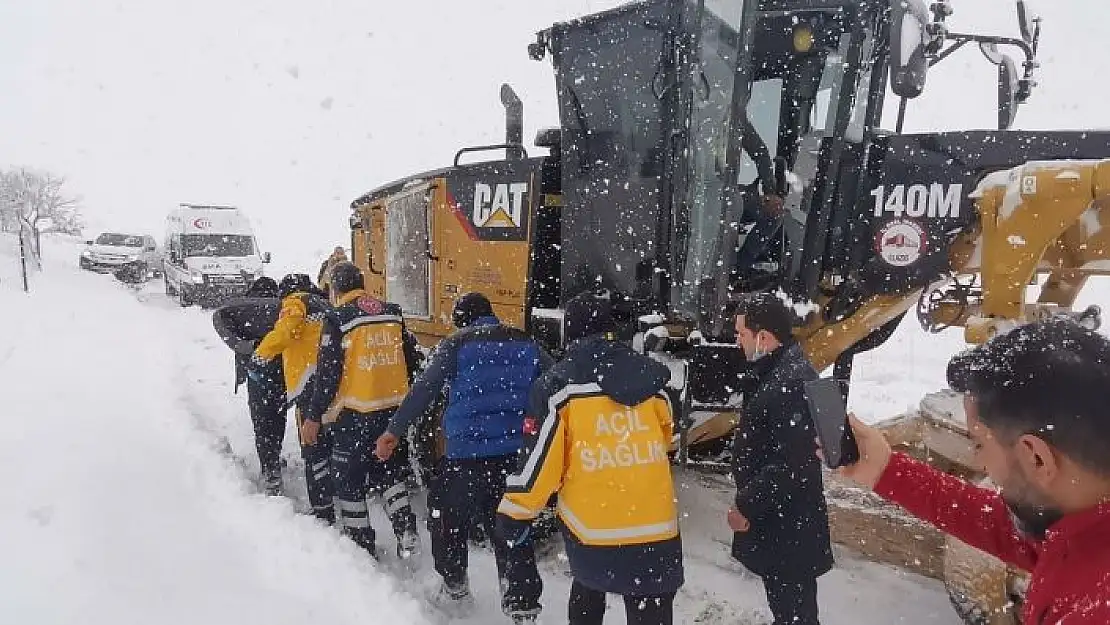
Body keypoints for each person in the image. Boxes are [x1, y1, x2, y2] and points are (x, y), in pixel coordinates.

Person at [834, 317, 1110, 624]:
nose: (979, 463)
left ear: (1037, 458)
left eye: (978, 443)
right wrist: (885, 470)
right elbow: (1002, 526)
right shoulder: (1079, 521)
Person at [496, 292, 683, 625]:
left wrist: (514, 513)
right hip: (656, 531)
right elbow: (670, 444)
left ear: (570, 333)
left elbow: (541, 465)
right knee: (649, 610)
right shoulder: (655, 383)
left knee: (587, 593)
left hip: (593, 531)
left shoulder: (557, 387)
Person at [374, 291, 551, 621]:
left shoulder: (456, 345)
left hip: (466, 456)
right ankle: (522, 605)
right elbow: (554, 384)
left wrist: (393, 432)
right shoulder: (526, 343)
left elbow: (424, 390)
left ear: (462, 320)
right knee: (513, 526)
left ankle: (455, 587)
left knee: (447, 521)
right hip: (516, 458)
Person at [305, 261, 422, 562]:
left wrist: (314, 415)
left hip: (355, 413)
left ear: (335, 289)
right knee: (388, 470)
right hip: (393, 412)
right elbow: (410, 357)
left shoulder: (338, 318)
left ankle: (360, 546)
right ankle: (406, 528)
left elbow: (328, 374)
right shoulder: (392, 312)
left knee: (349, 480)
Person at [727, 292, 832, 625]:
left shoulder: (788, 383)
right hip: (786, 522)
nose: (737, 340)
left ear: (763, 337)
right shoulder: (780, 371)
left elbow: (792, 465)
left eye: (741, 333)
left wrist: (746, 505)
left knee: (795, 612)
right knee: (791, 610)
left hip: (787, 525)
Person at [252, 273, 335, 522]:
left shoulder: (295, 302)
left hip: (308, 384)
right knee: (330, 441)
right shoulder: (325, 304)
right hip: (333, 381)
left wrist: (261, 354)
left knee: (312, 445)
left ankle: (322, 508)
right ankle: (336, 489)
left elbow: (285, 331)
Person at [212, 276, 286, 494]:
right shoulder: (282, 307)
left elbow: (219, 318)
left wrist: (244, 346)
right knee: (278, 417)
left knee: (261, 420)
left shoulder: (239, 309)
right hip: (281, 372)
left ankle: (270, 467)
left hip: (256, 372)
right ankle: (274, 457)